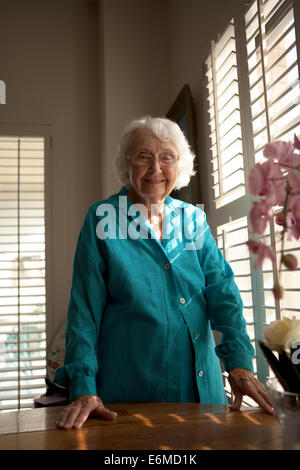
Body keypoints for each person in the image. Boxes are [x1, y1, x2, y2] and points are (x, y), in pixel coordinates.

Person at [54, 116, 274, 430]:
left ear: (180, 165)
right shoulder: (101, 219)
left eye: (167, 157)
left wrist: (239, 364)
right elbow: (84, 312)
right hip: (130, 397)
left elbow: (223, 293)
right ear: (126, 164)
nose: (156, 169)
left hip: (203, 393)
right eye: (144, 156)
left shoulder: (193, 220)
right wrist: (84, 387)